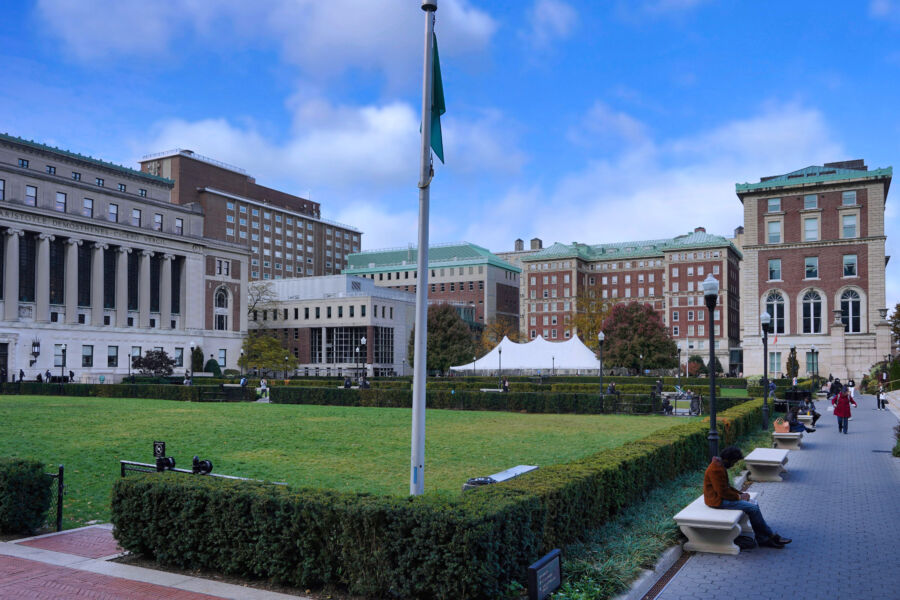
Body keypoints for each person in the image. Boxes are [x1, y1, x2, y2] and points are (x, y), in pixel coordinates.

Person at [705, 446, 791, 549]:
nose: (733, 465)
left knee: (753, 503)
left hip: (721, 497)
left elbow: (726, 487)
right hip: (717, 501)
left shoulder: (719, 465)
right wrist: (739, 496)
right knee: (753, 508)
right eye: (734, 462)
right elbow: (722, 492)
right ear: (728, 459)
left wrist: (740, 494)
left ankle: (762, 538)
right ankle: (770, 536)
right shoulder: (716, 469)